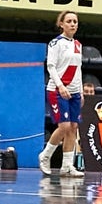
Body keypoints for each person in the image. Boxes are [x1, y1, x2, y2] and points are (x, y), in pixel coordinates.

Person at [38, 10, 86, 178]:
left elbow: (78, 69)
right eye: (69, 21)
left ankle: (67, 166)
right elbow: (51, 66)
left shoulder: (78, 45)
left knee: (73, 127)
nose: (73, 24)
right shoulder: (55, 43)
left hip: (74, 91)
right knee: (64, 126)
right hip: (57, 90)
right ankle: (45, 156)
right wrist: (60, 86)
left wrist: (80, 90)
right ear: (61, 24)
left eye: (75, 21)